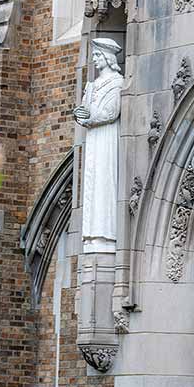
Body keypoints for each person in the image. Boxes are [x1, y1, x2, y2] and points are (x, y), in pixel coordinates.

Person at [74, 38, 125, 253]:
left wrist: (89, 117)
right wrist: (79, 115)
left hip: (106, 137)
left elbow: (111, 112)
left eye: (97, 55)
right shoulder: (92, 85)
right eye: (94, 55)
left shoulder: (117, 82)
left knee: (104, 181)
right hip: (94, 138)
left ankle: (105, 234)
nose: (94, 59)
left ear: (108, 57)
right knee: (92, 182)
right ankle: (92, 235)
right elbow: (85, 110)